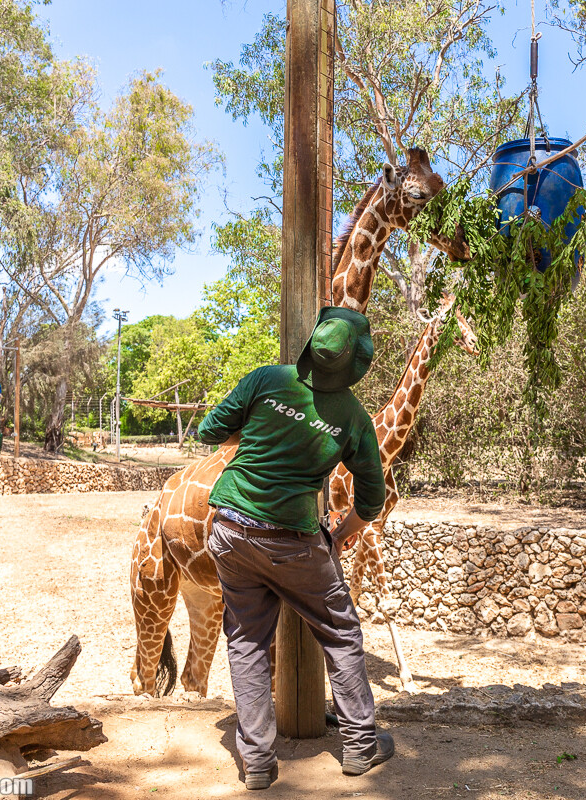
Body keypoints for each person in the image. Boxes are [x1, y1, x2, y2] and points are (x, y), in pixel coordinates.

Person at [196, 306, 392, 791]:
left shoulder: (265, 380)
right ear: (355, 363)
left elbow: (208, 431)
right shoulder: (353, 417)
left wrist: (262, 430)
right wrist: (343, 532)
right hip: (294, 543)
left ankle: (258, 763)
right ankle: (359, 747)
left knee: (245, 641)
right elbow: (373, 498)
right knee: (342, 633)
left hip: (230, 531)